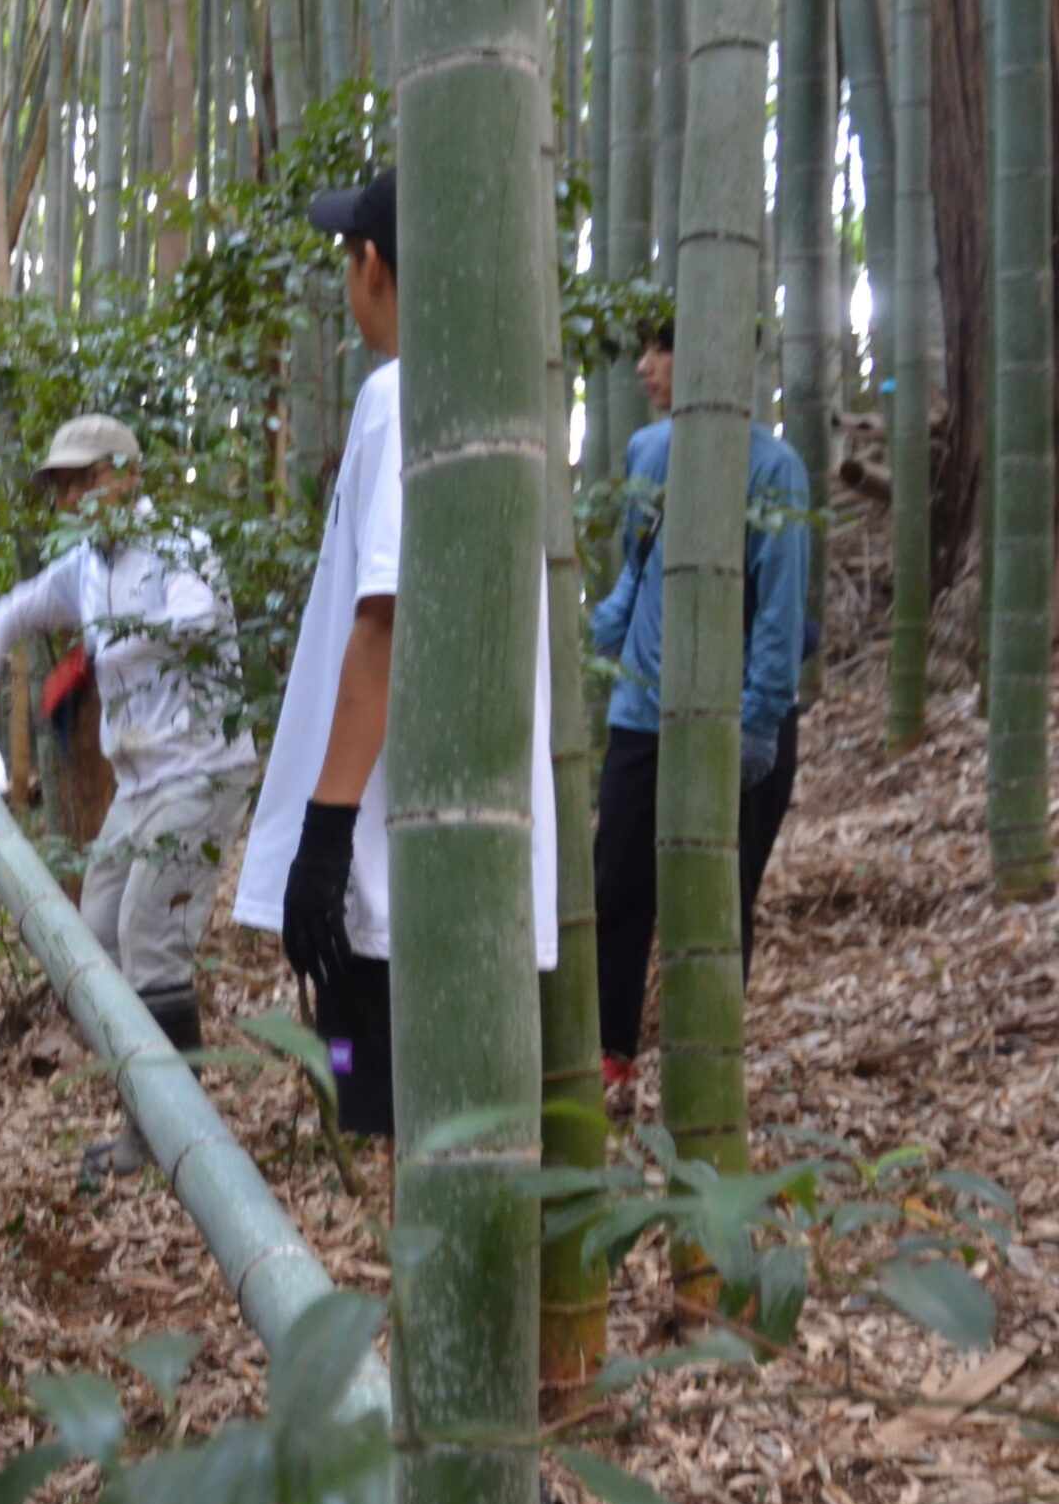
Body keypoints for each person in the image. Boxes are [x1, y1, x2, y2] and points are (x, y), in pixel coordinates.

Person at [231, 168, 561, 1140]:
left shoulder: (402, 397)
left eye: (348, 258)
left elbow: (383, 621)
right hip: (471, 863)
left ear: (373, 265)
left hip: (390, 868)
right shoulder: (494, 399)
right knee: (432, 1125)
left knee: (381, 1121)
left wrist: (325, 837)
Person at [0, 414, 256, 1178]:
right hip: (139, 778)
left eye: (85, 480)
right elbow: (15, 609)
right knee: (98, 936)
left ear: (126, 475)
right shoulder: (86, 565)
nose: (73, 499)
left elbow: (198, 618)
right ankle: (147, 1119)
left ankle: (177, 1138)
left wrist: (108, 644)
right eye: (63, 486)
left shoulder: (178, 546)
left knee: (149, 936)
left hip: (201, 768)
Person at [588, 319, 813, 1089]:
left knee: (720, 898)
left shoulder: (774, 468)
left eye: (663, 350)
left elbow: (781, 610)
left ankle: (704, 1071)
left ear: (710, 357)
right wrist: (606, 634)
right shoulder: (647, 452)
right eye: (646, 351)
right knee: (617, 887)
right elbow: (637, 564)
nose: (645, 367)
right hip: (643, 709)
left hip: (734, 717)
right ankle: (610, 1053)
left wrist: (759, 722)